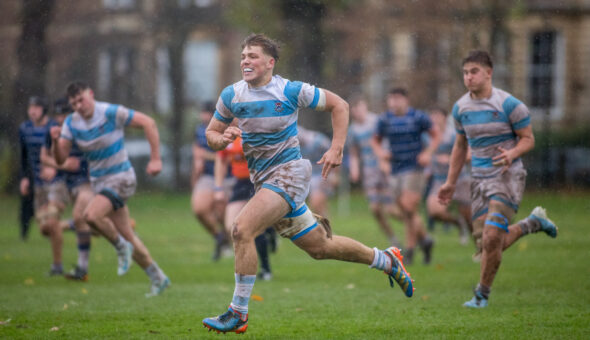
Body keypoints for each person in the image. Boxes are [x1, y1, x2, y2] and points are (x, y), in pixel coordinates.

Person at [202, 33, 413, 334]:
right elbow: (211, 133)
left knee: (240, 229)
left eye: (252, 56)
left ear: (270, 63)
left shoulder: (290, 90)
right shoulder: (232, 96)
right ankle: (386, 260)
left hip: (290, 175)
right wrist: (219, 139)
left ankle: (238, 312)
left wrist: (336, 148)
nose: (245, 61)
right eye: (243, 56)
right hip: (264, 182)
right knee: (320, 247)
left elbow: (340, 105)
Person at [438, 50, 558, 308]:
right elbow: (459, 147)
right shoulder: (460, 108)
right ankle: (533, 223)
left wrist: (512, 153)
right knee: (488, 245)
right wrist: (450, 182)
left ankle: (481, 295)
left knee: (493, 238)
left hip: (507, 177)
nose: (468, 77)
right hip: (478, 181)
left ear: (488, 73)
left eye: (474, 72)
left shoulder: (510, 105)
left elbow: (528, 138)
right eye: (465, 73)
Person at [51, 81, 170, 297]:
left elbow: (149, 123)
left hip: (121, 178)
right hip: (100, 184)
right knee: (129, 236)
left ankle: (119, 247)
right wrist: (55, 142)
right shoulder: (71, 123)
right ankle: (158, 277)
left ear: (91, 94)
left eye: (81, 99)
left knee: (90, 216)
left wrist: (155, 159)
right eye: (74, 102)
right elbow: (60, 159)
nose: (78, 105)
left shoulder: (110, 112)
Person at [371, 88, 440, 265]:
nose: (394, 102)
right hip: (395, 169)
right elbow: (375, 140)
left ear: (406, 100)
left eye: (397, 99)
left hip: (414, 168)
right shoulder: (385, 119)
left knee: (409, 208)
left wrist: (428, 153)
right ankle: (425, 239)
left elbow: (435, 135)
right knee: (400, 210)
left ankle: (409, 251)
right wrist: (381, 154)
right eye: (391, 99)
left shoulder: (418, 117)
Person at [40, 98, 95, 281]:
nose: (61, 118)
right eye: (58, 115)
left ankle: (81, 267)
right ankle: (57, 265)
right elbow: (44, 158)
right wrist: (60, 165)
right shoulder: (54, 131)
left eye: (64, 114)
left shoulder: (82, 129)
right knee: (48, 225)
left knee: (85, 218)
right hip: (60, 181)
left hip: (82, 182)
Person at [214, 134, 273, 280]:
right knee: (232, 227)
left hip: (258, 182)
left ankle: (265, 269)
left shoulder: (254, 129)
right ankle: (270, 231)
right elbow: (221, 159)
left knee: (253, 226)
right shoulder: (228, 136)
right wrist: (218, 188)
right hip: (240, 184)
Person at [19, 96, 64, 274]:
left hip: (57, 183)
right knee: (45, 228)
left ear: (44, 110)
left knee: (52, 221)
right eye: (30, 107)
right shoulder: (24, 129)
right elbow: (24, 156)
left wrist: (54, 168)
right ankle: (79, 225)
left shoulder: (54, 127)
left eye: (36, 107)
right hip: (37, 185)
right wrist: (24, 178)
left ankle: (57, 266)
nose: (32, 111)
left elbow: (61, 152)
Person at [348, 96, 401, 247]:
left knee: (392, 209)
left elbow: (388, 142)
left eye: (359, 109)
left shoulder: (377, 122)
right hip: (370, 172)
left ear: (364, 106)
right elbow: (353, 153)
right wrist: (355, 170)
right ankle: (393, 238)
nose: (357, 113)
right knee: (375, 209)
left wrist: (386, 161)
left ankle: (413, 226)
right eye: (354, 111)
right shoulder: (353, 130)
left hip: (385, 168)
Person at [191, 101, 232, 261]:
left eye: (206, 113)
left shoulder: (226, 127)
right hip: (207, 175)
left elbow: (227, 154)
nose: (203, 116)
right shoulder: (199, 129)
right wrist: (195, 171)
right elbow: (197, 150)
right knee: (199, 209)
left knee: (223, 213)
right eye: (202, 113)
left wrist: (206, 156)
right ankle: (220, 237)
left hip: (228, 176)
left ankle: (227, 241)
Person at [425, 108, 471, 246]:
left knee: (470, 217)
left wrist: (450, 159)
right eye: (432, 115)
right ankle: (458, 223)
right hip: (439, 180)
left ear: (445, 117)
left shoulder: (454, 135)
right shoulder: (427, 136)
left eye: (437, 115)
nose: (434, 119)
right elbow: (425, 154)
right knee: (434, 211)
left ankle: (481, 247)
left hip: (459, 179)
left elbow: (468, 154)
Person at [297, 125, 338, 217]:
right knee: (318, 206)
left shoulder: (319, 141)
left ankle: (324, 228)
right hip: (312, 175)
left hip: (324, 172)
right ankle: (325, 228)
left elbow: (334, 155)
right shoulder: (295, 146)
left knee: (316, 202)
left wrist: (335, 174)